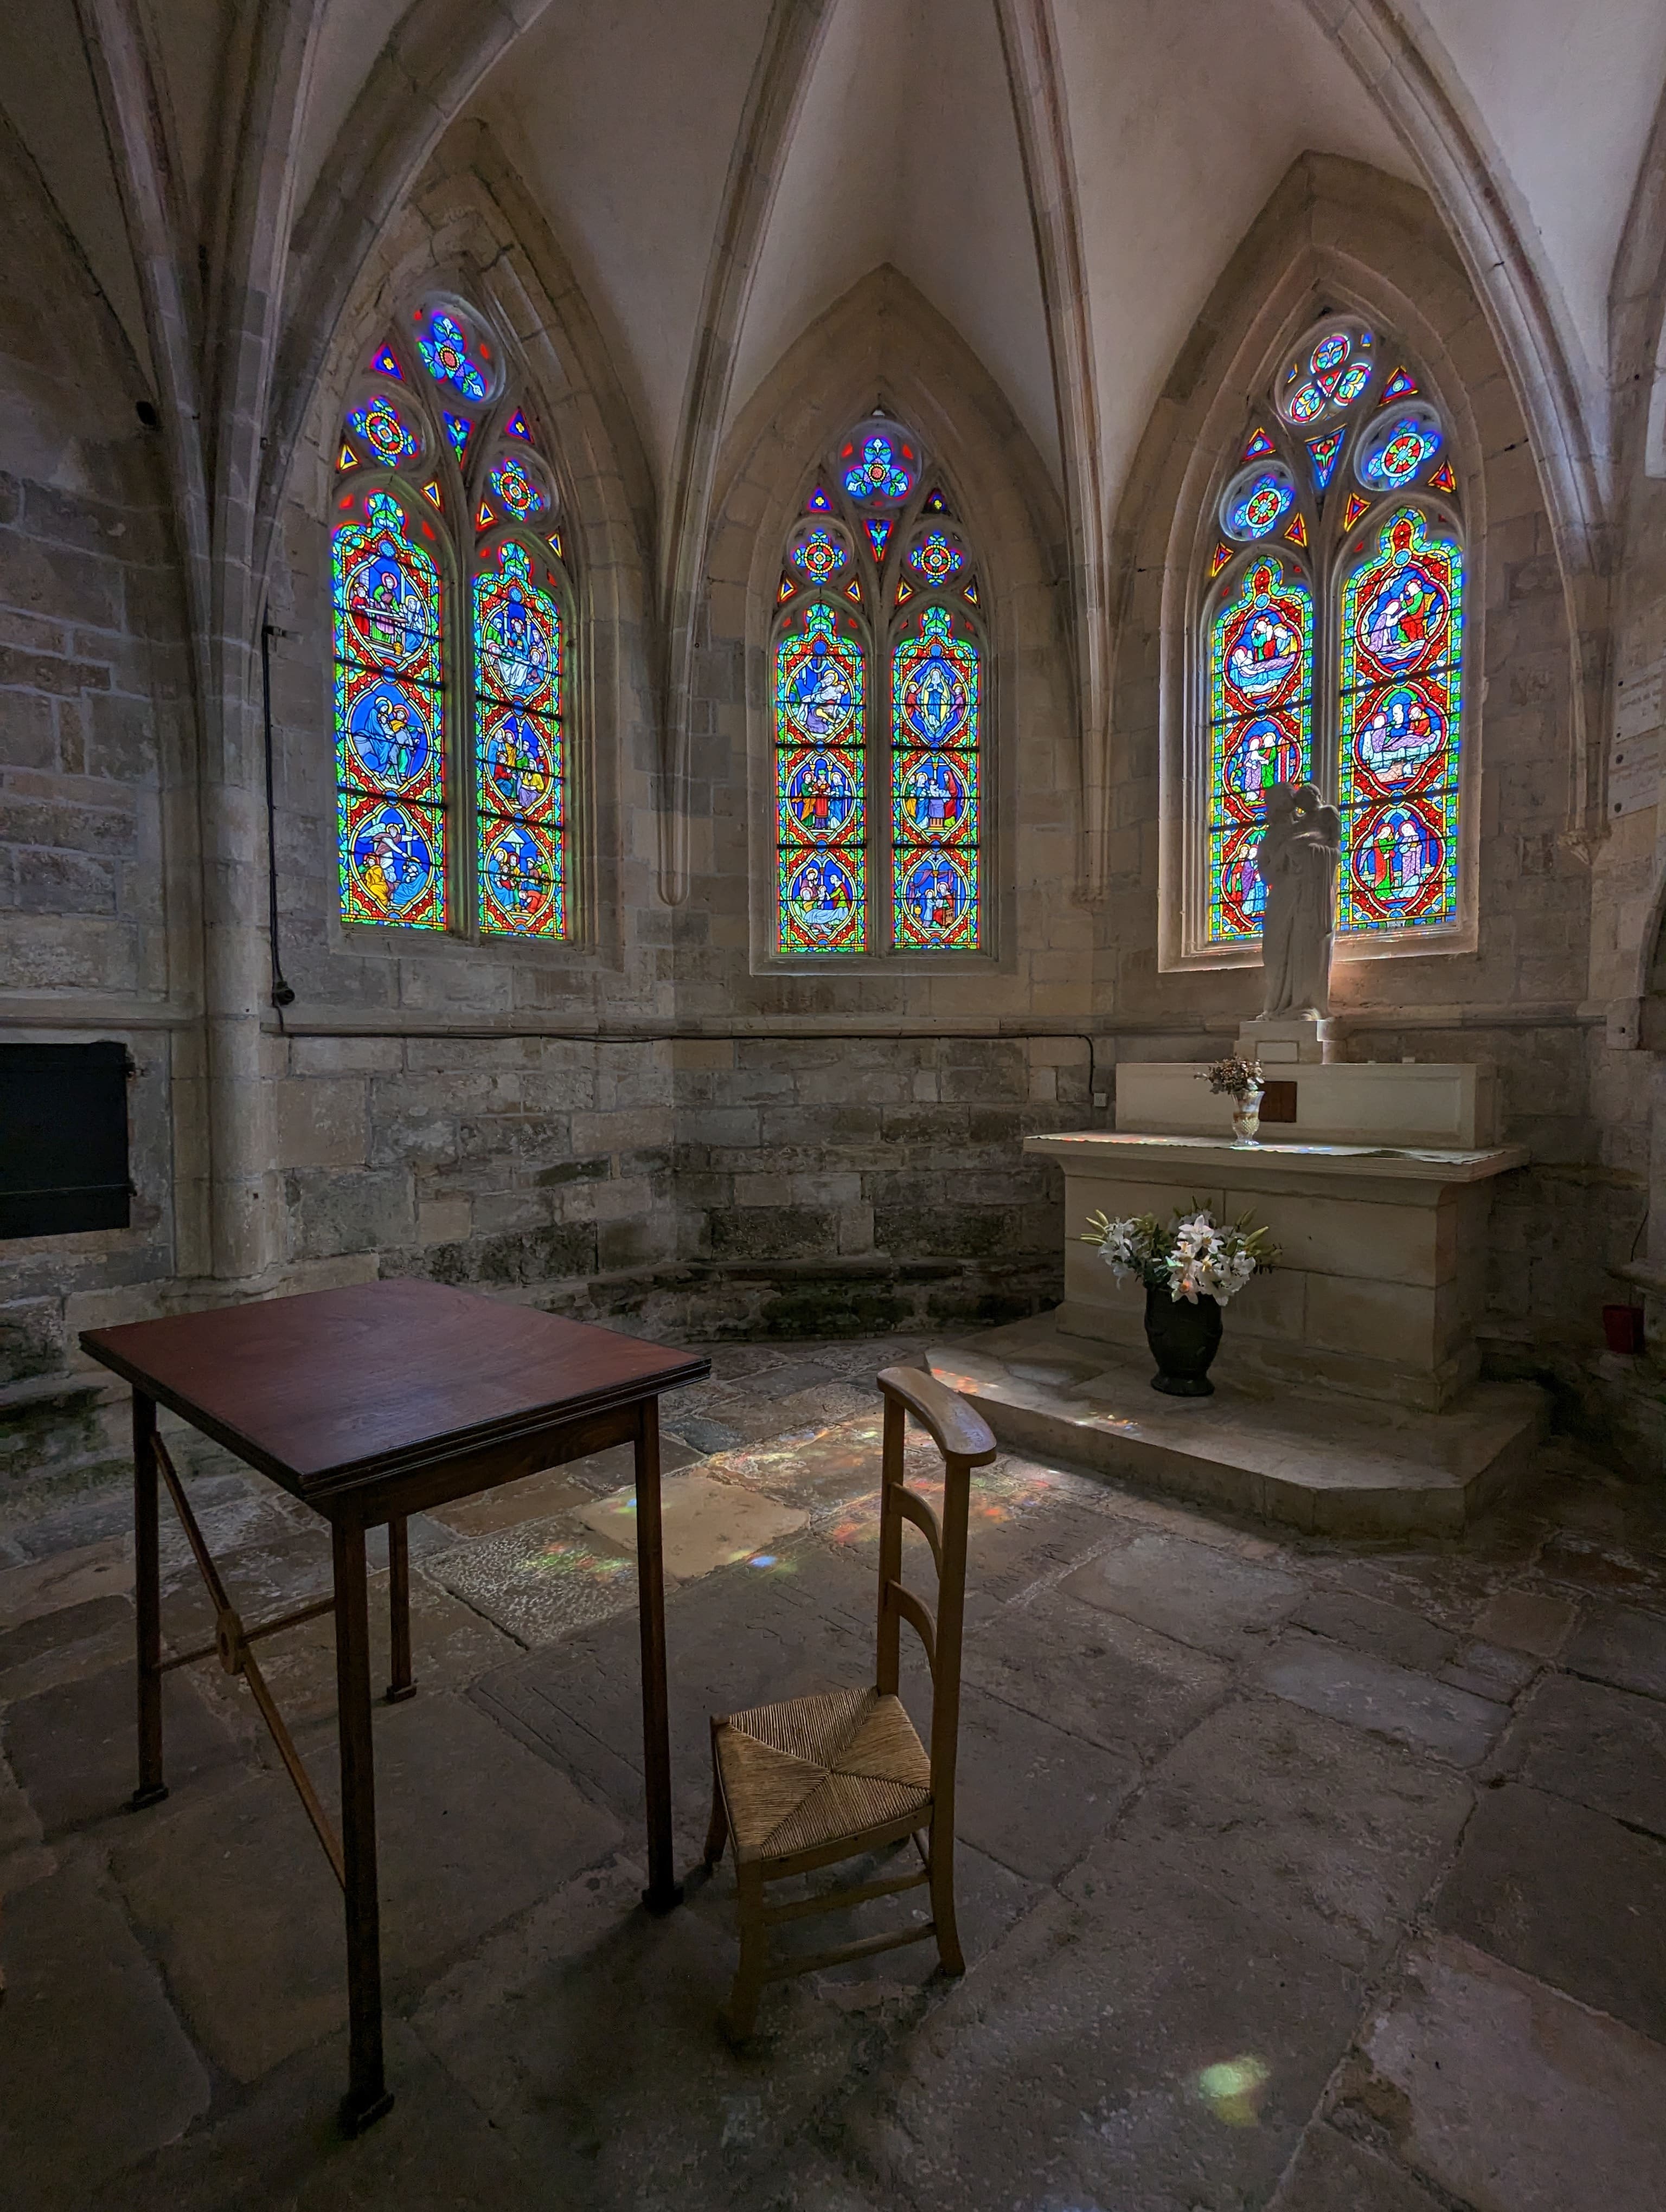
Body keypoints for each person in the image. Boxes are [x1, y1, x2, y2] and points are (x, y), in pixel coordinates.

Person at [1255, 780, 1340, 1017]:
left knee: (1307, 947)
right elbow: (1266, 876)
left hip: (1310, 894)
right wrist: (1283, 853)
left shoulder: (1314, 823)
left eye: (1289, 798)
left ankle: (1304, 1005)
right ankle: (1275, 1006)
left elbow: (1335, 850)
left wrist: (1303, 848)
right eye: (1277, 800)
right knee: (1275, 953)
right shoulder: (1268, 841)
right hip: (1282, 898)